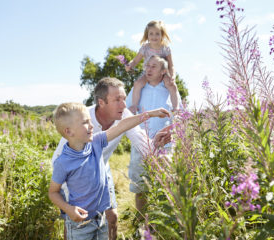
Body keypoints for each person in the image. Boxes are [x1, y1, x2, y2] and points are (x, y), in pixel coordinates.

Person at [51, 77, 172, 240]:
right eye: (117, 100)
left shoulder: (123, 117)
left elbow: (142, 144)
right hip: (72, 175)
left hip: (100, 167)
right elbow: (59, 172)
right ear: (101, 102)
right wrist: (69, 206)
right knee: (75, 220)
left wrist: (155, 144)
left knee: (112, 217)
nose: (124, 104)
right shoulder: (79, 120)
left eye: (124, 98)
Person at [126, 55, 182, 215]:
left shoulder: (171, 90)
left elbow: (180, 115)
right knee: (140, 186)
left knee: (166, 185)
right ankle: (141, 221)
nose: (148, 69)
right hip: (141, 144)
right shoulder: (138, 88)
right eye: (147, 66)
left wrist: (173, 132)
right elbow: (127, 112)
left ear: (164, 71)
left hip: (165, 145)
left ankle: (165, 222)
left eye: (153, 66)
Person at [125, 20, 179, 114]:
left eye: (157, 34)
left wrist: (172, 76)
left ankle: (176, 108)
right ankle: (134, 105)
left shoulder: (165, 49)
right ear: (147, 35)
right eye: (151, 34)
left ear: (162, 34)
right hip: (148, 73)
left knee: (171, 85)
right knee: (138, 83)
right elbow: (135, 60)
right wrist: (130, 65)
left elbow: (171, 65)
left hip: (162, 73)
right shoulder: (145, 48)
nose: (154, 36)